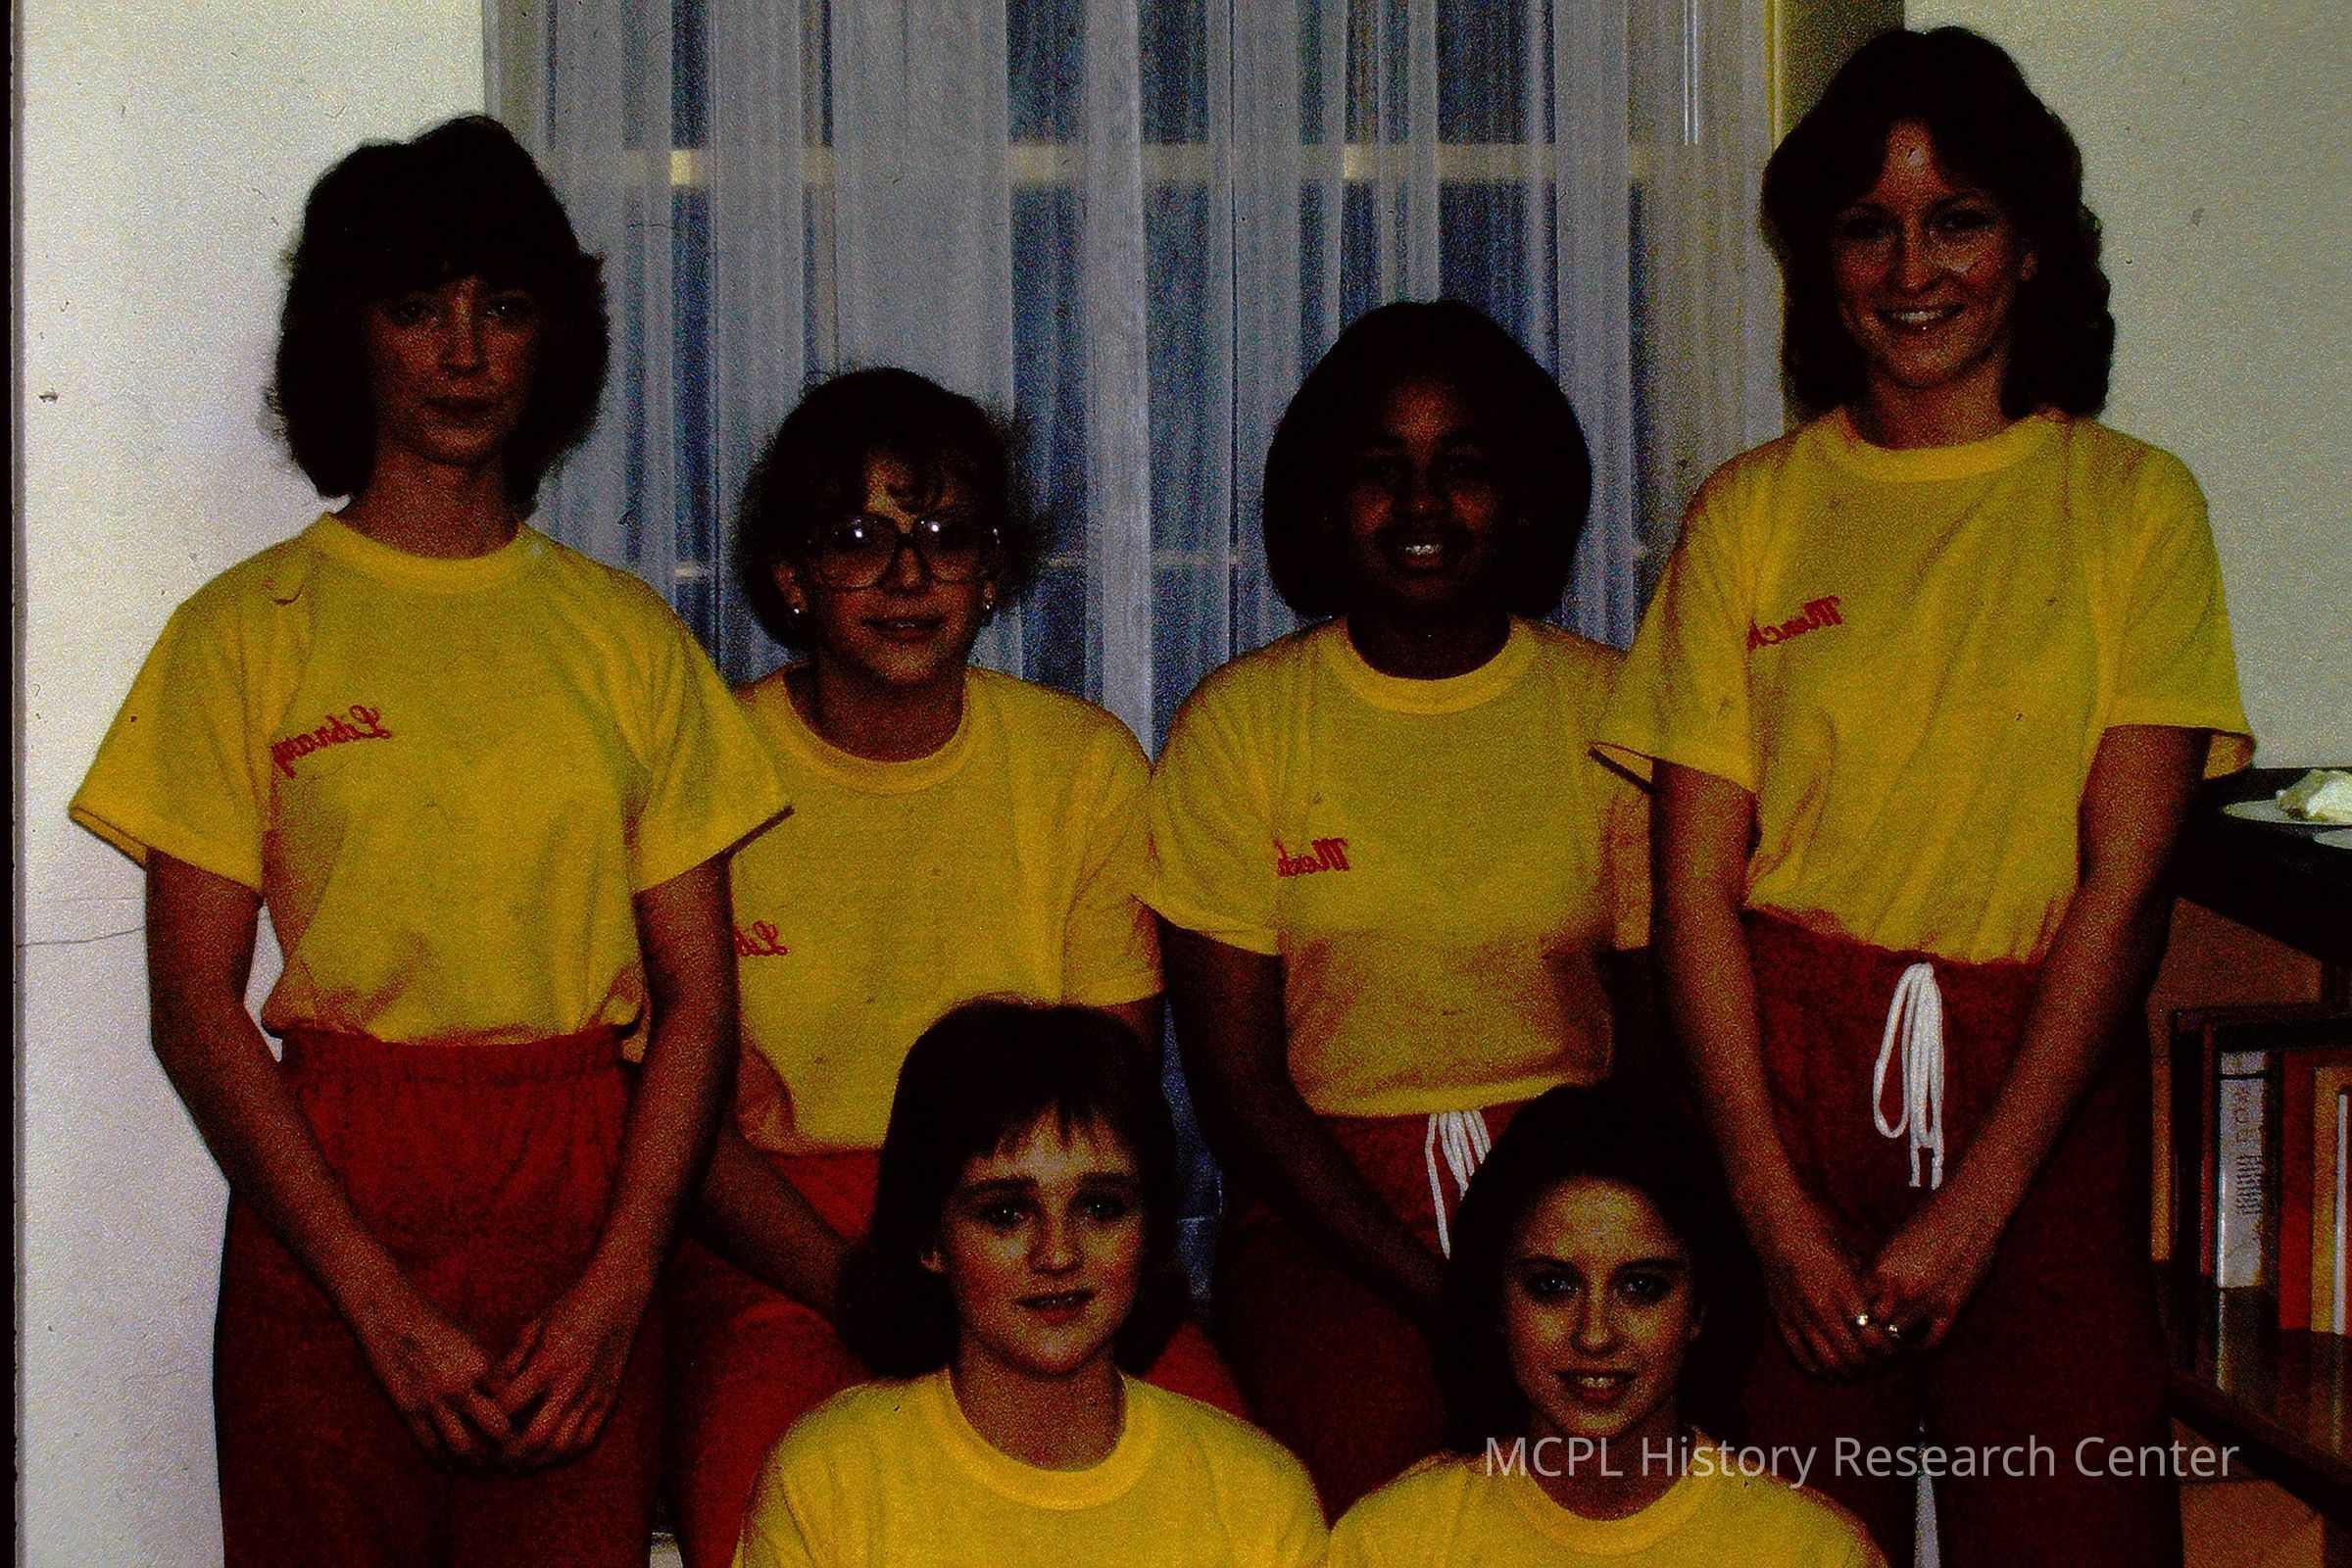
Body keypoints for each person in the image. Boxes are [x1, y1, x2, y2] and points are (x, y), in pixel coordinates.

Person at [69, 116, 783, 1566]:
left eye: (502, 307)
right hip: (333, 1182)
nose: (463, 353)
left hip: (583, 1176)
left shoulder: (628, 639)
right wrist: (375, 1304)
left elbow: (701, 1003)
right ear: (349, 336)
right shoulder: (244, 632)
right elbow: (194, 1009)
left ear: (551, 338)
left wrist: (619, 1288)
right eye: (416, 307)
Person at [1596, 27, 2252, 1566]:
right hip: (1783, 1094)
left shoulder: (2131, 506)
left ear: (2031, 247)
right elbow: (1692, 892)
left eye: (1956, 220)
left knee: (2070, 1519)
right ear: (1819, 263)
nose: (1912, 270)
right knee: (1784, 1538)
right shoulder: (1751, 513)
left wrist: (1978, 1207)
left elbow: (2127, 886)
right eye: (1867, 227)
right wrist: (1770, 1210)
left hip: (2044, 1093)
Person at [666, 368, 1241, 1568]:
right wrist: (853, 1285)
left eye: (943, 536)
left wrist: (1009, 1249)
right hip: (790, 1247)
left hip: (1042, 1215)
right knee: (765, 1483)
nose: (906, 576)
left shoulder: (1080, 766)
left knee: (1221, 1471)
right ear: (791, 577)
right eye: (856, 539)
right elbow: (687, 1129)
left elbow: (1109, 1095)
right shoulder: (708, 767)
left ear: (992, 573)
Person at [1148, 299, 1652, 1513]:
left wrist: (1561, 1259)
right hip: (1334, 1217)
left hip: (1578, 1201)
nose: (1421, 506)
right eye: (1381, 471)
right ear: (1326, 502)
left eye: (1461, 467)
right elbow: (1239, 1090)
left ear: (1521, 495)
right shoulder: (1242, 727)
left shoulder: (1615, 711)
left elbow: (1658, 1045)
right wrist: (1440, 1286)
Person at [731, 1002, 1326, 1567]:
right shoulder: (829, 1480)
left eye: (1101, 1208)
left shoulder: (1257, 1496)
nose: (1058, 1254)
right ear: (930, 1240)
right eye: (1006, 1214)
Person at [1327, 1083, 1884, 1566]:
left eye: (1642, 1287)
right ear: (1495, 1301)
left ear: (1701, 1307)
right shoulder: (1392, 1543)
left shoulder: (1812, 1551)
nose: (1594, 1334)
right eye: (1552, 1286)